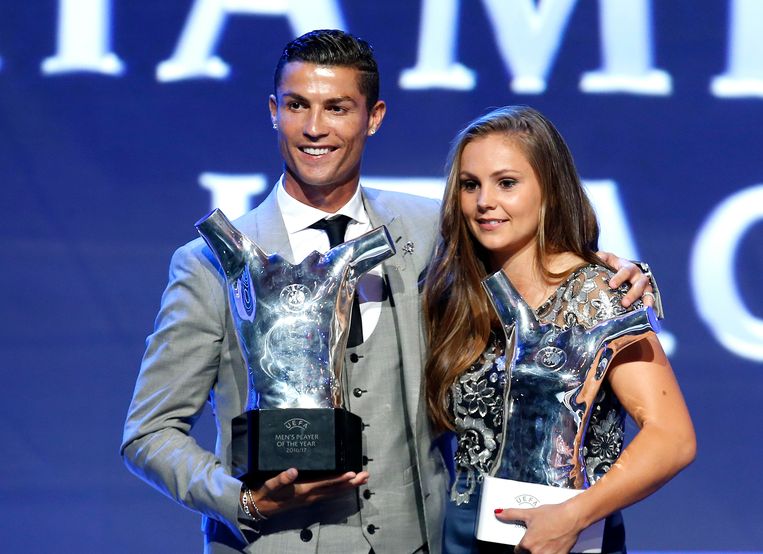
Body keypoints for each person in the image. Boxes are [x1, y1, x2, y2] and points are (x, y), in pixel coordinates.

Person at [121, 30, 656, 553]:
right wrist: (244, 502)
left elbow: (536, 268)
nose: (314, 127)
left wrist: (610, 273)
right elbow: (149, 432)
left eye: (337, 108)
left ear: (373, 117)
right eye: (297, 105)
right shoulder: (211, 264)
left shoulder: (435, 232)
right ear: (273, 111)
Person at [422, 106, 696, 553]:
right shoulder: (456, 296)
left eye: (506, 183)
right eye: (470, 185)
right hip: (465, 536)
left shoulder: (601, 294)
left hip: (568, 536)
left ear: (549, 188)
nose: (484, 201)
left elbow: (672, 439)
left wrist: (573, 516)